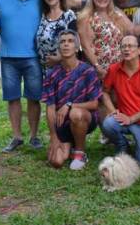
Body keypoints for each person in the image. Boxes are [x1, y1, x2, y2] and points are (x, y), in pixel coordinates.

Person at [0, 0, 43, 152]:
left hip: (33, 56)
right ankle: (16, 137)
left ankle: (34, 136)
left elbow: (61, 3)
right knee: (12, 98)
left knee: (33, 98)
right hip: (8, 57)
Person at [41, 30, 101, 170]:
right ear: (59, 48)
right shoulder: (51, 74)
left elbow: (95, 104)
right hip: (62, 124)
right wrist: (53, 137)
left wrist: (69, 105)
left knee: (76, 113)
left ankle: (80, 153)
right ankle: (70, 143)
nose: (66, 45)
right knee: (56, 162)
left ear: (76, 47)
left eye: (70, 41)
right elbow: (50, 107)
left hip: (84, 118)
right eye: (62, 42)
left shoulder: (88, 71)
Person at [101, 35, 140, 166]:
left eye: (130, 46)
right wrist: (112, 111)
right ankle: (123, 146)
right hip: (123, 118)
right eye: (123, 46)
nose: (126, 49)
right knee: (108, 124)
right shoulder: (114, 69)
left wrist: (131, 119)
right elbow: (104, 93)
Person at [78, 0, 134, 80]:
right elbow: (86, 46)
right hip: (100, 70)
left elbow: (132, 33)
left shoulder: (116, 15)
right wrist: (97, 66)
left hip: (119, 68)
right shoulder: (86, 18)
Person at [36, 0, 77, 73]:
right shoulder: (42, 16)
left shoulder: (69, 15)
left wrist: (59, 58)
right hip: (43, 71)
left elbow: (75, 43)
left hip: (64, 69)